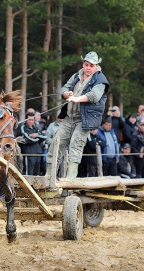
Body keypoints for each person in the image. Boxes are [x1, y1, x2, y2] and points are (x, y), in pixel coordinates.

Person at [46, 51, 109, 180]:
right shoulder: (76, 75)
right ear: (83, 64)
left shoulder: (101, 79)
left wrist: (76, 99)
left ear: (96, 66)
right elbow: (64, 88)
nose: (88, 68)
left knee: (76, 144)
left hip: (84, 120)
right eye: (86, 64)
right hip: (69, 117)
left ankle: (70, 179)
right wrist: (66, 94)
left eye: (91, 65)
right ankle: (48, 176)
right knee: (56, 142)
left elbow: (94, 96)